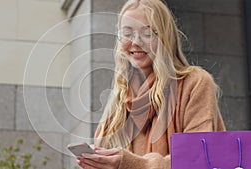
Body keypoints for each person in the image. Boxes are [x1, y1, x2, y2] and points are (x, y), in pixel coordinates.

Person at [77, 0, 226, 168]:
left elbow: (197, 157)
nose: (136, 42)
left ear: (164, 37)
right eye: (127, 33)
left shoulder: (194, 83)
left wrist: (131, 164)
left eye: (147, 33)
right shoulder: (120, 95)